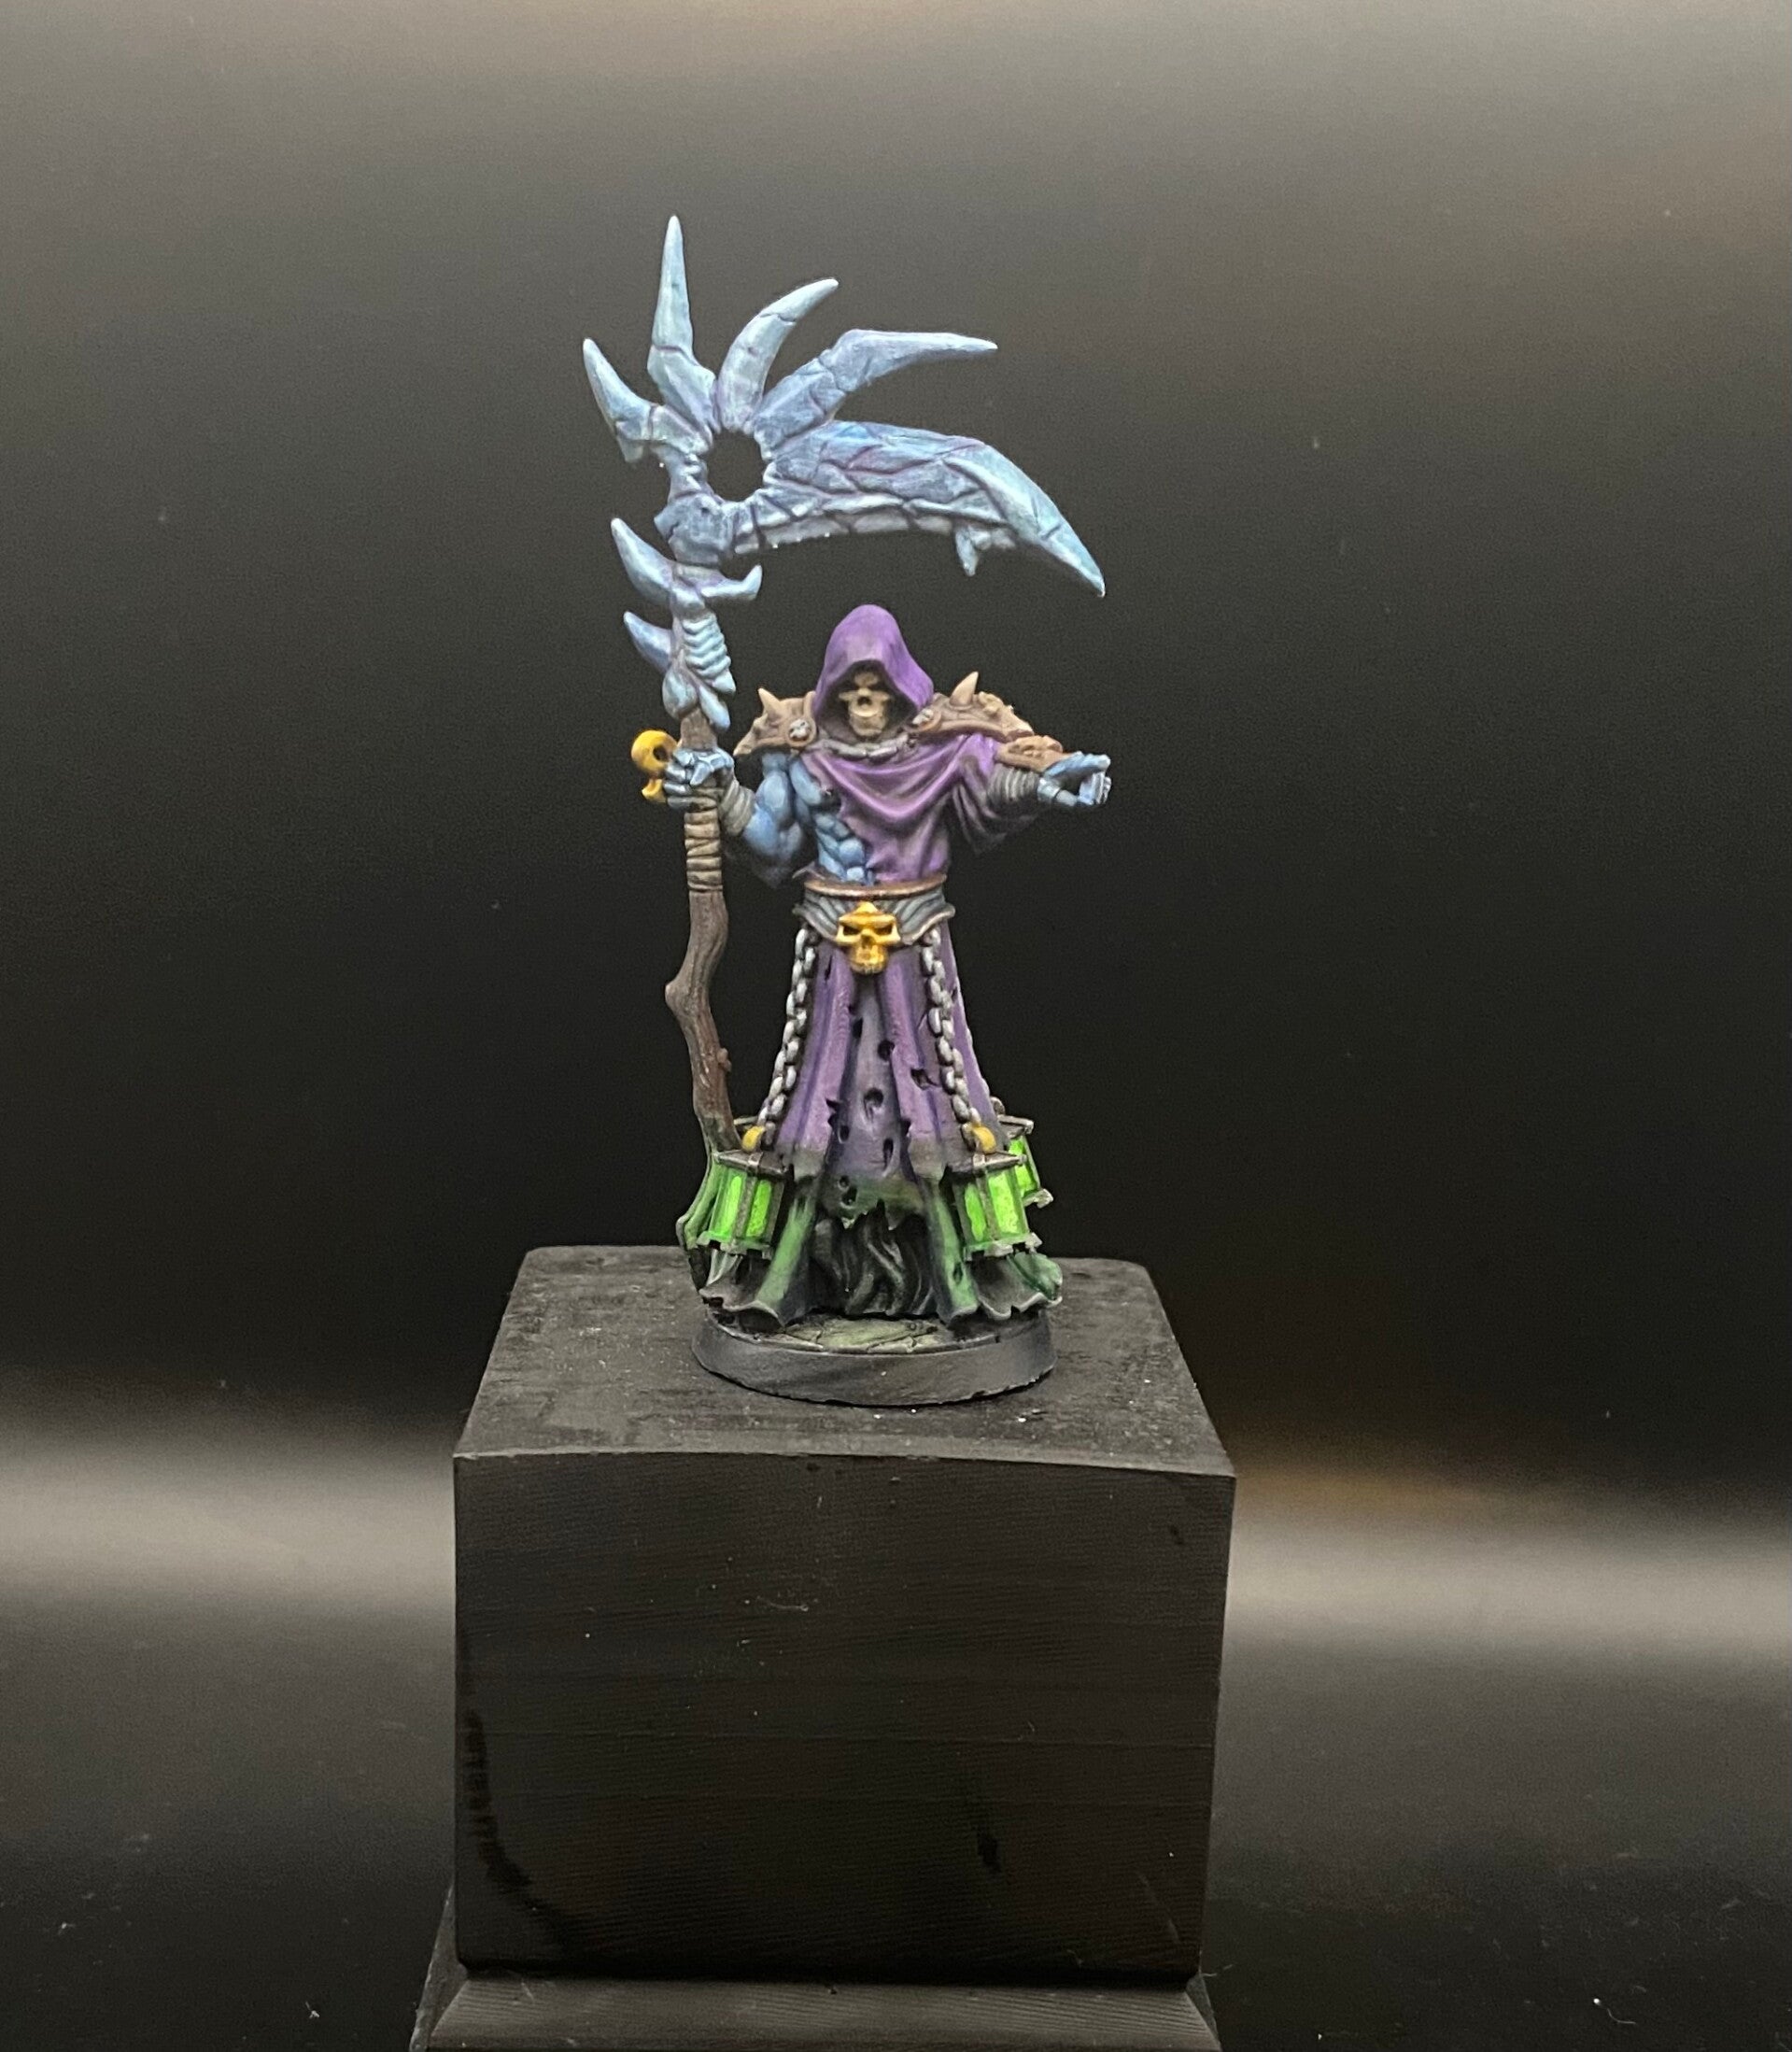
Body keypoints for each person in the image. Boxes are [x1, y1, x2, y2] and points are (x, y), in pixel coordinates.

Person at [662, 602, 1110, 1332]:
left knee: (934, 1097)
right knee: (812, 1099)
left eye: (876, 693)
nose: (864, 707)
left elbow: (992, 789)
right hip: (829, 951)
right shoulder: (800, 751)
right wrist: (722, 795)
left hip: (914, 951)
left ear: (900, 689)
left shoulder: (940, 748)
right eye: (852, 693)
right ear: (833, 692)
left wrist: (1042, 786)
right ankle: (796, 1263)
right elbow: (774, 844)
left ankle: (956, 1265)